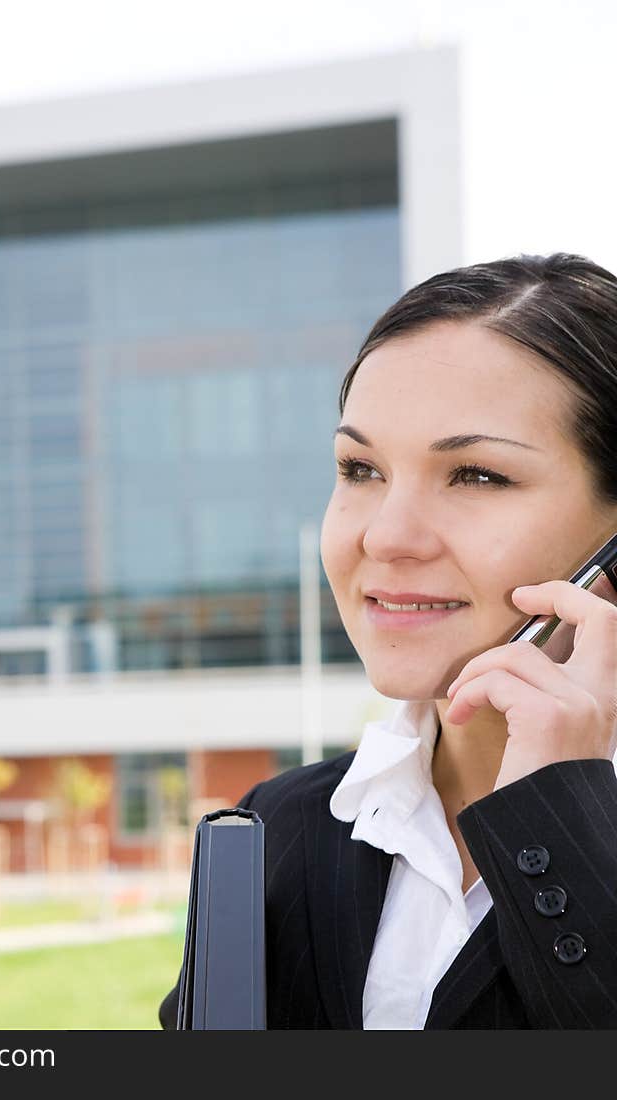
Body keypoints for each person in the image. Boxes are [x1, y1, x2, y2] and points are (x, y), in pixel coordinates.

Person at [159, 252, 617, 1029]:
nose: (388, 535)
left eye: (476, 475)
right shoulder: (279, 830)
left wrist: (560, 817)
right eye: (359, 468)